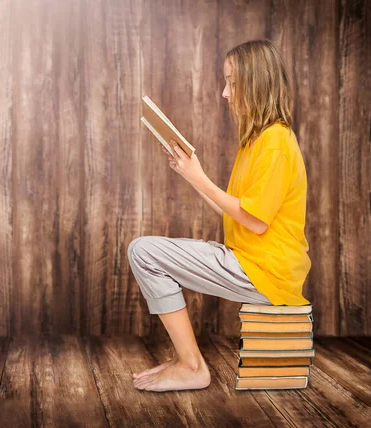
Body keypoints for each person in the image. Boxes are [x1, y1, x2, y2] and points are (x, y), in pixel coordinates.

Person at [128, 39, 311, 392]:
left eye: (233, 83)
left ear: (256, 85)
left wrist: (199, 176)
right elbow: (241, 211)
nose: (225, 93)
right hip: (250, 262)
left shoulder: (275, 143)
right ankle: (187, 361)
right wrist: (190, 175)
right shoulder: (257, 141)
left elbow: (255, 221)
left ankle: (192, 365)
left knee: (143, 251)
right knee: (146, 251)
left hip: (262, 271)